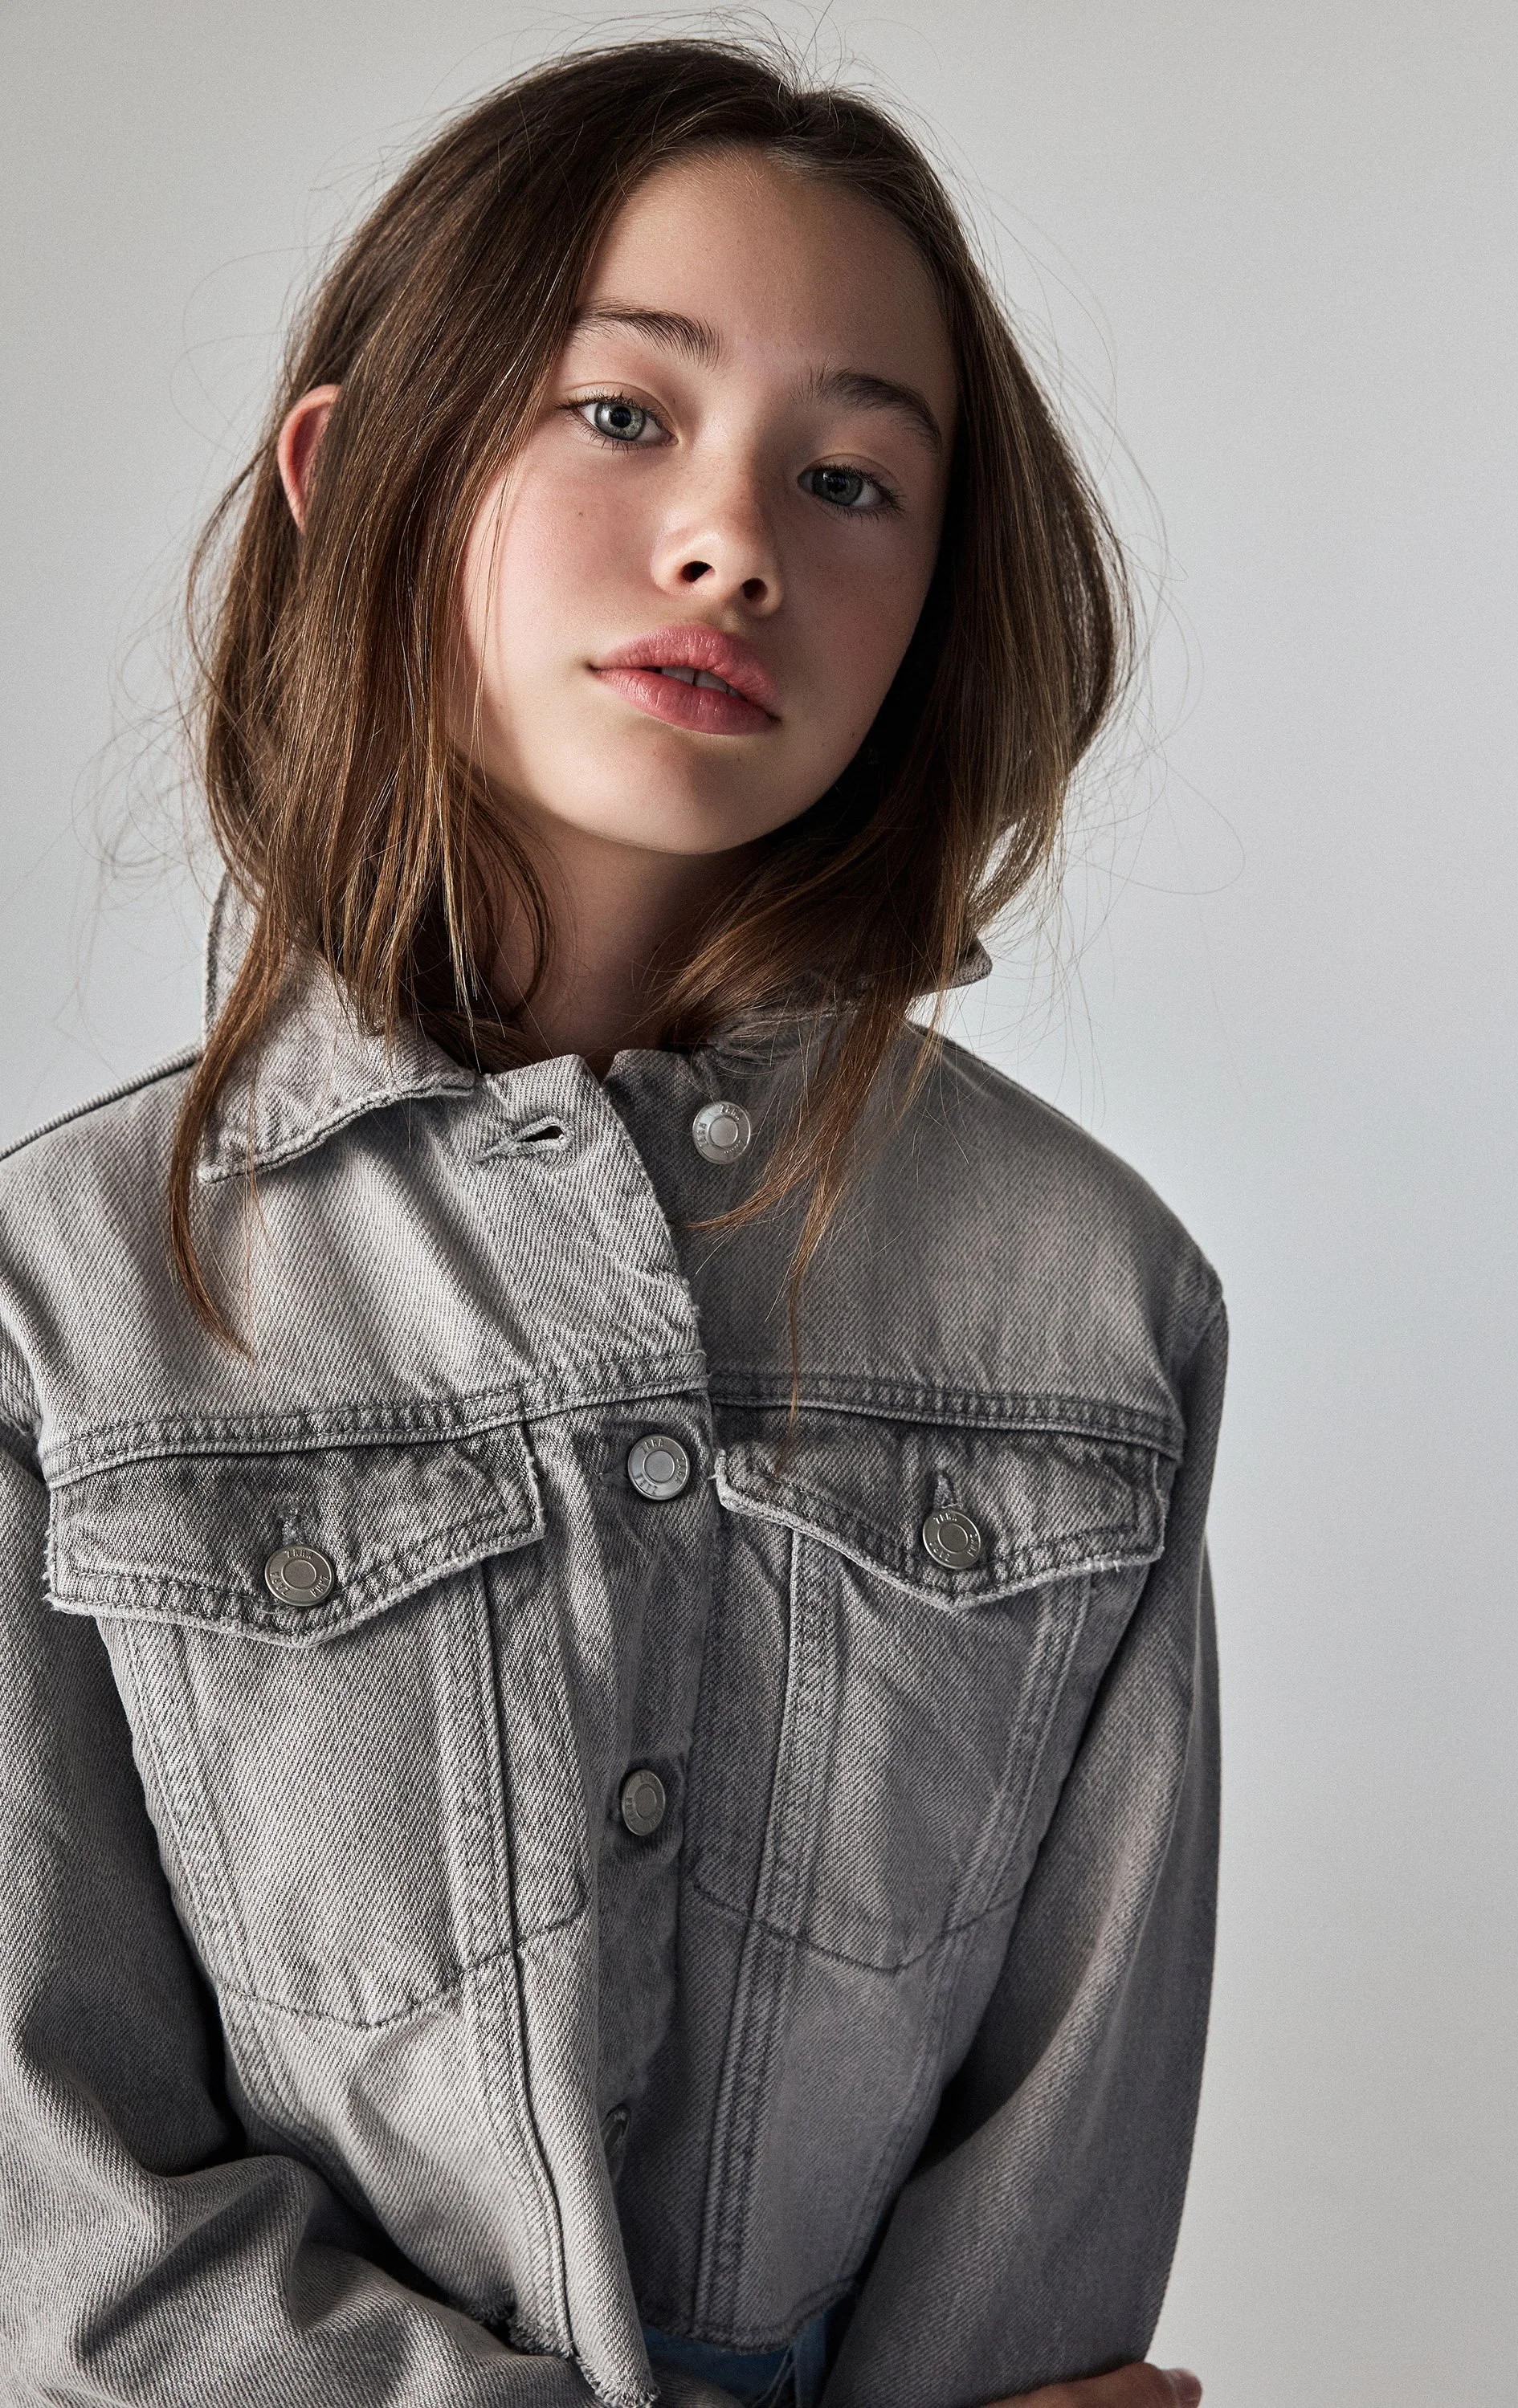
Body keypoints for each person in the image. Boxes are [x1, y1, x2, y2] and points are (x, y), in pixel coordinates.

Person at [0, 39, 1225, 2408]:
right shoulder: (67, 1302)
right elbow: (43, 2197)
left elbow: (1056, 2186)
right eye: (627, 415)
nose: (738, 539)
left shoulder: (1093, 1299)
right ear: (359, 470)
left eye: (853, 474)